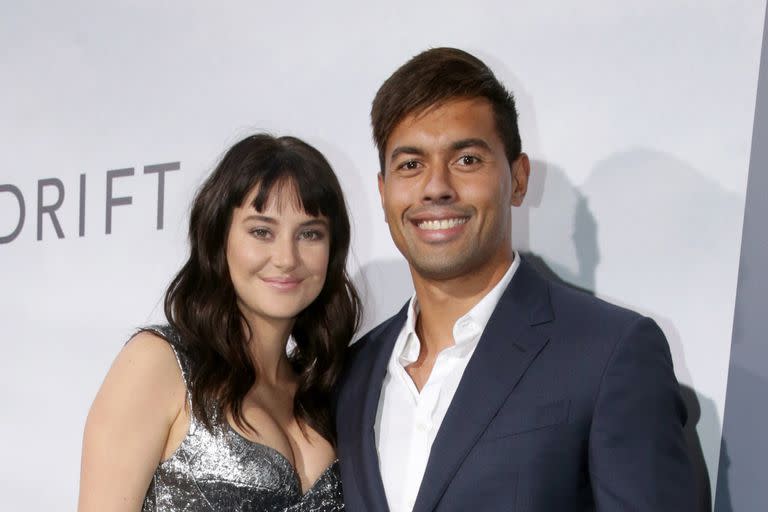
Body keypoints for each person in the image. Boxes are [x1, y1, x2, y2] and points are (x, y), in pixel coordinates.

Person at [335, 48, 696, 511]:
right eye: (411, 164)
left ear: (518, 178)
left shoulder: (609, 354)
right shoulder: (351, 377)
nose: (436, 186)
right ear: (383, 193)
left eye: (466, 160)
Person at [78, 134, 360, 511]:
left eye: (310, 234)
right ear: (218, 238)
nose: (286, 257)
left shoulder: (327, 392)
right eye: (262, 231)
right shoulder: (160, 365)